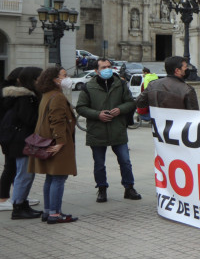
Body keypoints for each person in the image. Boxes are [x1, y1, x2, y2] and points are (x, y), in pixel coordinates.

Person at [76, 58, 141, 203]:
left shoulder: (121, 83)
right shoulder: (89, 86)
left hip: (117, 128)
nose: (108, 69)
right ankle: (102, 189)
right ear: (96, 71)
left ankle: (129, 188)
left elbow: (130, 102)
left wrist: (120, 109)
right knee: (99, 164)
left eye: (109, 66)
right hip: (97, 131)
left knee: (125, 161)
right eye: (104, 67)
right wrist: (97, 114)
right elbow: (81, 107)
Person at [30, 66, 79, 223]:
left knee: (51, 178)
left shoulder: (47, 94)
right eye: (64, 76)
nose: (67, 78)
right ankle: (55, 214)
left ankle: (48, 211)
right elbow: (56, 120)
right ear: (55, 79)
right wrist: (60, 142)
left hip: (47, 140)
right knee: (58, 177)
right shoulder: (57, 96)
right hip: (56, 142)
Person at [0, 67, 44, 219]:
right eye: (39, 78)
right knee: (24, 174)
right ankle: (18, 207)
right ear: (32, 80)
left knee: (24, 173)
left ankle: (22, 203)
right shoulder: (25, 98)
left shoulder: (23, 96)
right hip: (21, 141)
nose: (41, 81)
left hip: (19, 140)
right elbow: (30, 120)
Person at [0, 67, 23, 212]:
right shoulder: (9, 94)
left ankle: (18, 195)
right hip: (8, 134)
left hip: (8, 133)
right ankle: (2, 198)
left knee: (15, 166)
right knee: (10, 166)